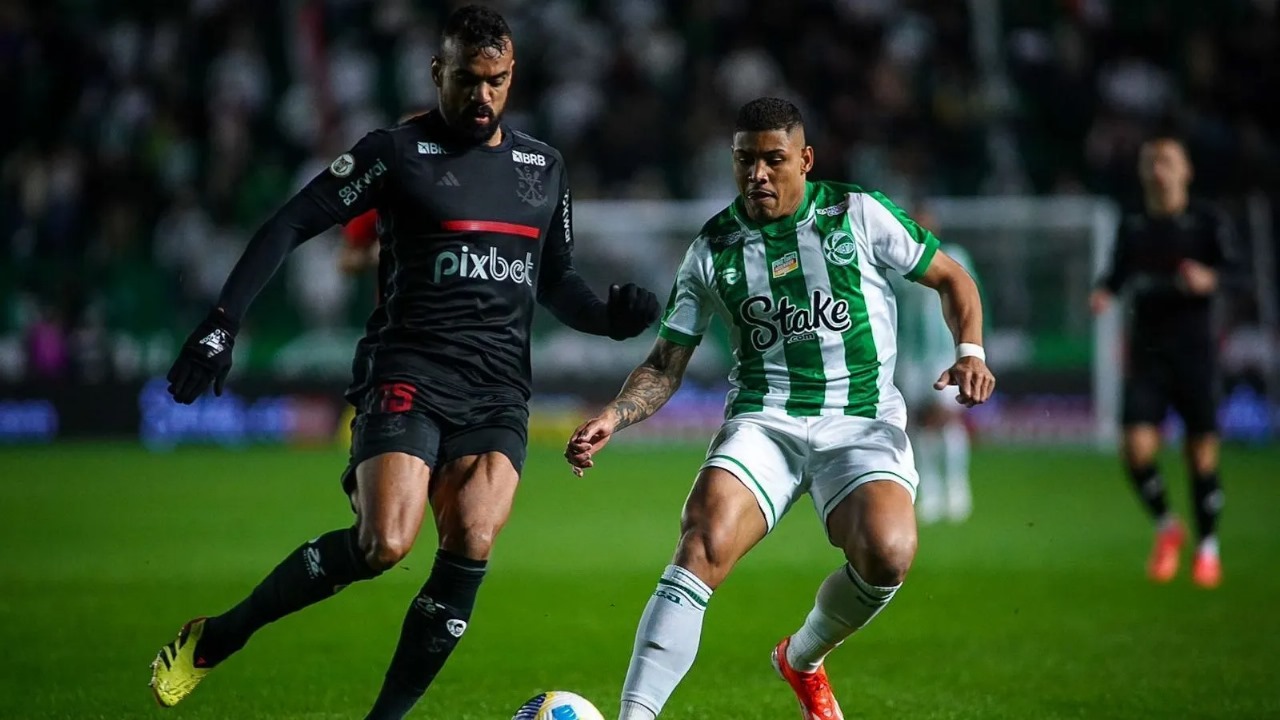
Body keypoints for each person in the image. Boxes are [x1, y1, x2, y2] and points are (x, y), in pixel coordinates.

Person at [149, 6, 660, 719]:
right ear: (437, 74)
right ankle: (220, 636)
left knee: (473, 536)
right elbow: (292, 221)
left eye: (498, 81)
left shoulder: (543, 168)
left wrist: (610, 319)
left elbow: (555, 281)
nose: (483, 97)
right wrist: (221, 322)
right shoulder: (395, 153)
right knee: (384, 543)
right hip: (407, 373)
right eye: (469, 80)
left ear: (513, 77)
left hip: (499, 392)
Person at [565, 97, 994, 720]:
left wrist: (971, 352)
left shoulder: (858, 214)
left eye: (773, 159)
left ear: (805, 160)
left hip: (862, 418)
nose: (757, 174)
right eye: (745, 160)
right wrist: (616, 415)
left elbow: (954, 278)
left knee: (889, 553)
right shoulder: (712, 248)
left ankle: (801, 658)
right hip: (765, 421)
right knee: (701, 541)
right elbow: (664, 364)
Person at [1089, 135, 1238, 589]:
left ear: (1186, 171)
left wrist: (1209, 278)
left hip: (1196, 353)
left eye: (1168, 161)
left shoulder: (1206, 221)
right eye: (1151, 161)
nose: (1159, 169)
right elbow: (1116, 271)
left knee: (1201, 457)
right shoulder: (1133, 224)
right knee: (1135, 448)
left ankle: (1208, 549)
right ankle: (1168, 527)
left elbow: (1237, 271)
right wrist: (1104, 292)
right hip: (1148, 354)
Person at [893, 206, 980, 523]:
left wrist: (971, 349)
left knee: (947, 418)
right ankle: (929, 489)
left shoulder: (953, 256)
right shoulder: (899, 264)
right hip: (911, 355)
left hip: (945, 352)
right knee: (919, 423)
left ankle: (957, 488)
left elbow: (971, 299)